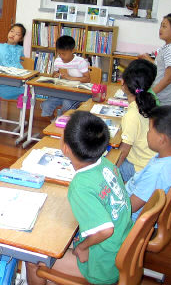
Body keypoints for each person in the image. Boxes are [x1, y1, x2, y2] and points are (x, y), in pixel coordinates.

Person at [27, 111, 132, 285]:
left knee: (33, 258)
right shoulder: (107, 164)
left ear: (66, 148)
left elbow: (105, 230)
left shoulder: (80, 185)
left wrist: (82, 248)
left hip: (102, 263)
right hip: (121, 248)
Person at [125, 105, 171, 222]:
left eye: (149, 130)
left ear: (161, 139)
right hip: (131, 197)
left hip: (129, 220)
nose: (147, 134)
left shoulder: (157, 173)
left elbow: (131, 207)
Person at [117, 59, 158, 182]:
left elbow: (124, 151)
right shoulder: (147, 103)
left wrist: (113, 169)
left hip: (140, 169)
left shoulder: (132, 114)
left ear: (123, 83)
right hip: (150, 162)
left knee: (101, 169)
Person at [40, 35, 90, 120]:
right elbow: (55, 73)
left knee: (67, 105)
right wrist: (55, 75)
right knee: (46, 105)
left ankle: (63, 122)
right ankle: (54, 121)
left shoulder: (80, 62)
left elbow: (87, 79)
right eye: (59, 53)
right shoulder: (58, 61)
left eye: (64, 54)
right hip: (61, 92)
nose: (61, 56)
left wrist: (71, 78)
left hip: (76, 94)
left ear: (72, 51)